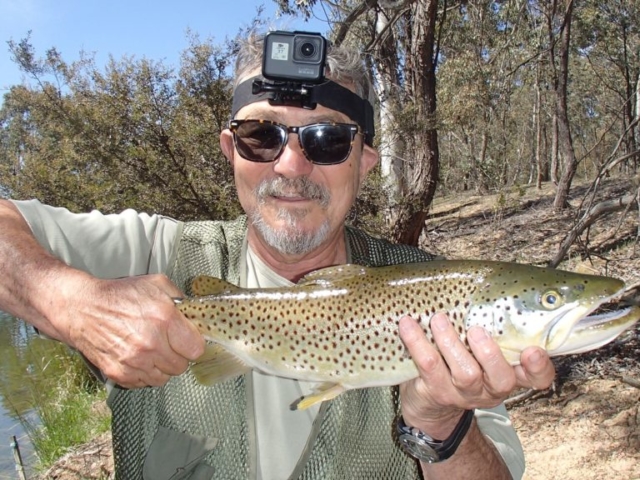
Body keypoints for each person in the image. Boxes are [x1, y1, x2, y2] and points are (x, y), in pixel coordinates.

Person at [0, 31, 555, 480]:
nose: (290, 167)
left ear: (364, 161)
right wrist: (75, 303)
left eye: (327, 141)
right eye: (261, 137)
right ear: (230, 150)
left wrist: (442, 422)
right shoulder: (152, 253)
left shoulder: (442, 294)